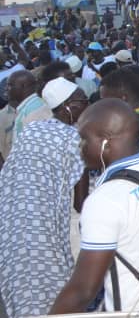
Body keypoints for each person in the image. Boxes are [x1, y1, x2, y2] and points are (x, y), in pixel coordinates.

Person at [50, 99, 139, 313]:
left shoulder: (105, 199)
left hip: (135, 309)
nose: (79, 147)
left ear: (106, 142)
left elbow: (82, 291)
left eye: (83, 139)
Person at [0, 79, 87, 317]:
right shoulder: (75, 139)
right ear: (68, 105)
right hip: (46, 238)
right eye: (83, 102)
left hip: (13, 231)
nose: (87, 107)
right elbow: (81, 203)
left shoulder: (31, 130)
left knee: (23, 296)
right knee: (53, 295)